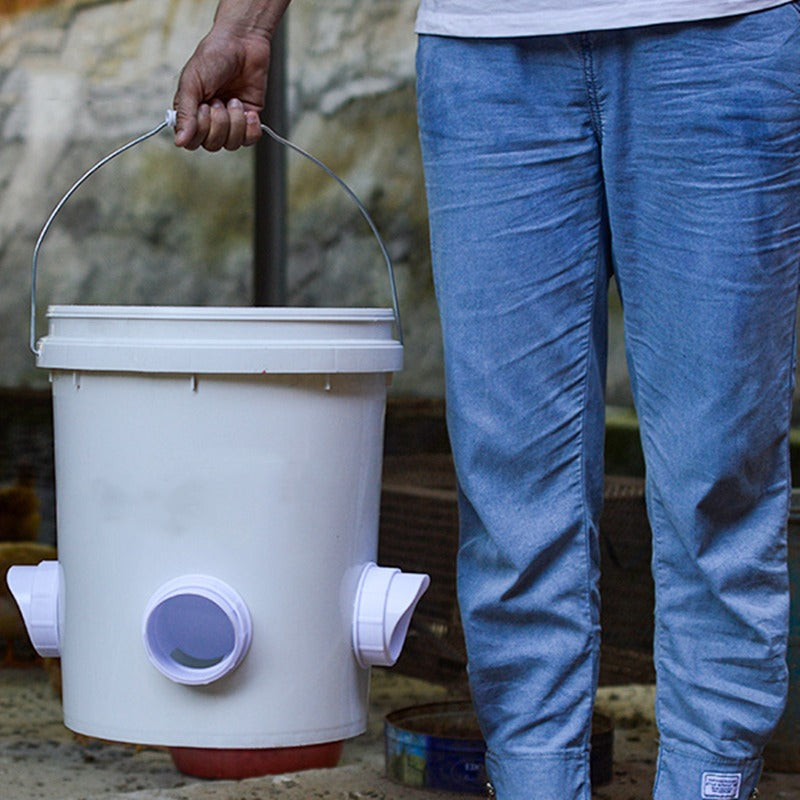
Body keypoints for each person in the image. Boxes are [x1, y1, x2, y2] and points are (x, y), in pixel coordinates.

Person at [173, 2, 800, 798]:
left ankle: (712, 784)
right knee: (512, 494)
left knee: (719, 477)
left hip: (721, 31)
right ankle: (535, 782)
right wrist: (248, 23)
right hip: (488, 49)